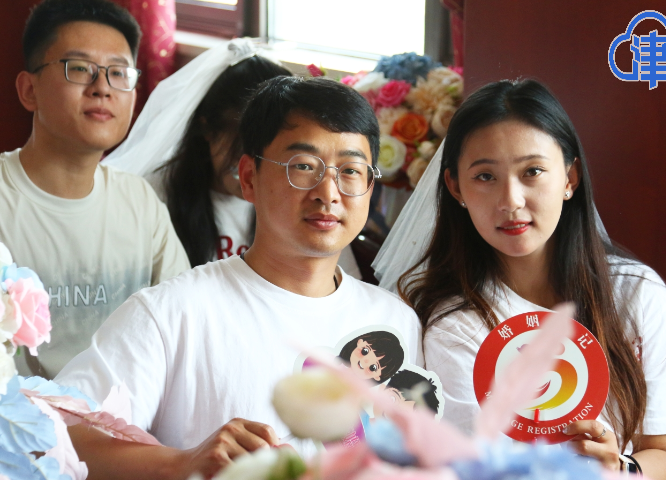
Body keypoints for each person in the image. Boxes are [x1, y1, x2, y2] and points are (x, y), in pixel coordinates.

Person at [56, 76, 421, 480]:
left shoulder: (395, 321)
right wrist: (183, 462)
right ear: (249, 178)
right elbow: (55, 436)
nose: (328, 192)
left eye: (350, 170)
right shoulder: (172, 313)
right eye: (303, 166)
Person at [374, 79, 666, 478]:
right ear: (455, 187)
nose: (511, 201)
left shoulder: (636, 294)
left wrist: (619, 470)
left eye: (532, 171)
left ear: (570, 178)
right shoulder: (449, 322)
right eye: (485, 177)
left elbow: (665, 453)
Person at [0, 0, 190, 379]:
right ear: (29, 90)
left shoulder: (139, 202)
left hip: (128, 409)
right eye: (79, 68)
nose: (102, 88)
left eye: (118, 73)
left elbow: (182, 323)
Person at [103, 39, 362, 278]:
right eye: (241, 143)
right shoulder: (155, 196)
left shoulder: (303, 196)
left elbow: (341, 282)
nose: (252, 167)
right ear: (207, 128)